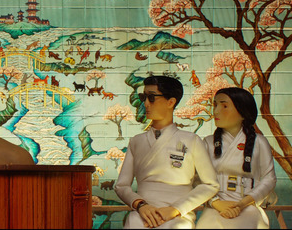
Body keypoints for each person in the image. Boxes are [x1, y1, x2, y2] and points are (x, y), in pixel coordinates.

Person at [114, 76, 219, 229]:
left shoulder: (192, 140)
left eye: (151, 97)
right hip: (142, 214)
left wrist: (176, 209)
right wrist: (141, 205)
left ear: (171, 102)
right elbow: (121, 186)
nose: (145, 104)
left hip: (179, 216)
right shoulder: (136, 141)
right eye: (144, 97)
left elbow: (210, 184)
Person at [195, 87, 276, 229]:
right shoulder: (207, 142)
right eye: (215, 105)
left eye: (224, 106)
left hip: (248, 205)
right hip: (215, 206)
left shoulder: (260, 142)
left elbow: (269, 179)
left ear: (243, 112)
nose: (216, 111)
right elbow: (197, 178)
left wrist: (243, 203)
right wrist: (215, 202)